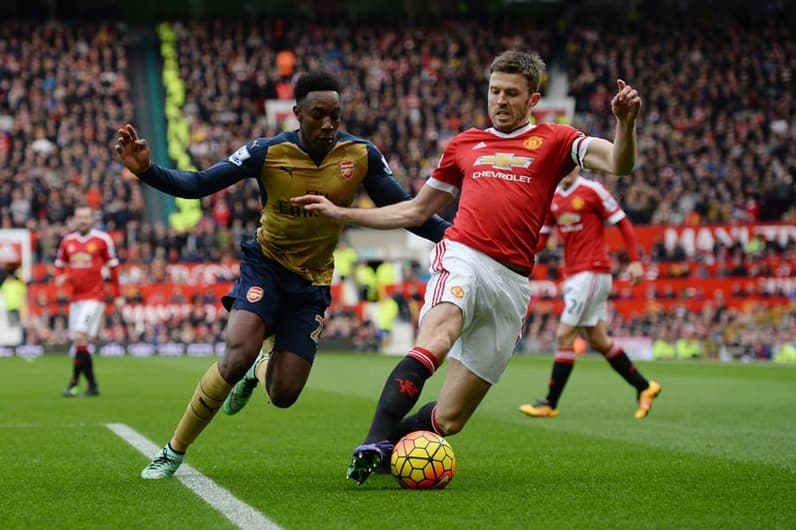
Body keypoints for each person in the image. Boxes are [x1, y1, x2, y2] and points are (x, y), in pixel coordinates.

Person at [292, 49, 643, 485]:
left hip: (512, 283)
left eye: (512, 93)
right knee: (437, 338)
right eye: (495, 91)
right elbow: (415, 211)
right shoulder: (464, 145)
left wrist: (625, 124)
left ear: (533, 100)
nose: (500, 100)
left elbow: (619, 163)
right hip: (464, 256)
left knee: (451, 418)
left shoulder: (556, 140)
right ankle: (374, 438)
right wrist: (341, 214)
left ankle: (384, 453)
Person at [114, 70, 450, 479]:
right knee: (235, 355)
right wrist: (147, 171)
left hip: (312, 282)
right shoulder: (265, 153)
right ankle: (173, 450)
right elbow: (199, 184)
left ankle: (262, 366)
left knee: (284, 392)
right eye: (318, 115)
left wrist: (461, 238)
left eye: (335, 116)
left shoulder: (360, 156)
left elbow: (409, 212)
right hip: (266, 266)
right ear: (297, 114)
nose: (328, 124)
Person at [518, 167, 661, 420]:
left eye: (572, 164)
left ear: (579, 165)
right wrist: (519, 248)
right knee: (598, 340)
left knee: (564, 334)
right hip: (574, 274)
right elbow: (542, 239)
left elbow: (623, 222)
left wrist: (635, 261)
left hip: (592, 271)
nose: (567, 170)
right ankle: (644, 387)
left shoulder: (592, 190)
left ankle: (550, 403)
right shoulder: (552, 198)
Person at [55, 205, 122, 397]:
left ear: (92, 219)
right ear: (75, 219)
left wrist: (117, 296)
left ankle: (73, 383)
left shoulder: (102, 240)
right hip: (75, 298)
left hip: (94, 297)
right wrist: (61, 276)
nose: (82, 220)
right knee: (80, 342)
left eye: (86, 217)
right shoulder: (68, 241)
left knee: (79, 336)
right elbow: (59, 265)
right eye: (79, 217)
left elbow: (114, 267)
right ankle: (92, 386)